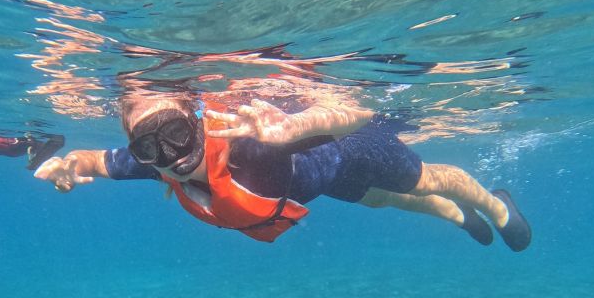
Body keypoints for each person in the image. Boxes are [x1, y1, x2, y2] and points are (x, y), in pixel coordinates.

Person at [34, 86, 531, 250]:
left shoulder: (247, 145)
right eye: (151, 146)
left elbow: (358, 114)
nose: (171, 155)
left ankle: (494, 206)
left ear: (199, 123)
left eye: (177, 134)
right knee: (389, 201)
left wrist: (293, 128)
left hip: (352, 149)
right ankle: (458, 217)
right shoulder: (155, 166)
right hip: (324, 182)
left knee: (425, 179)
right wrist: (65, 164)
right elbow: (94, 161)